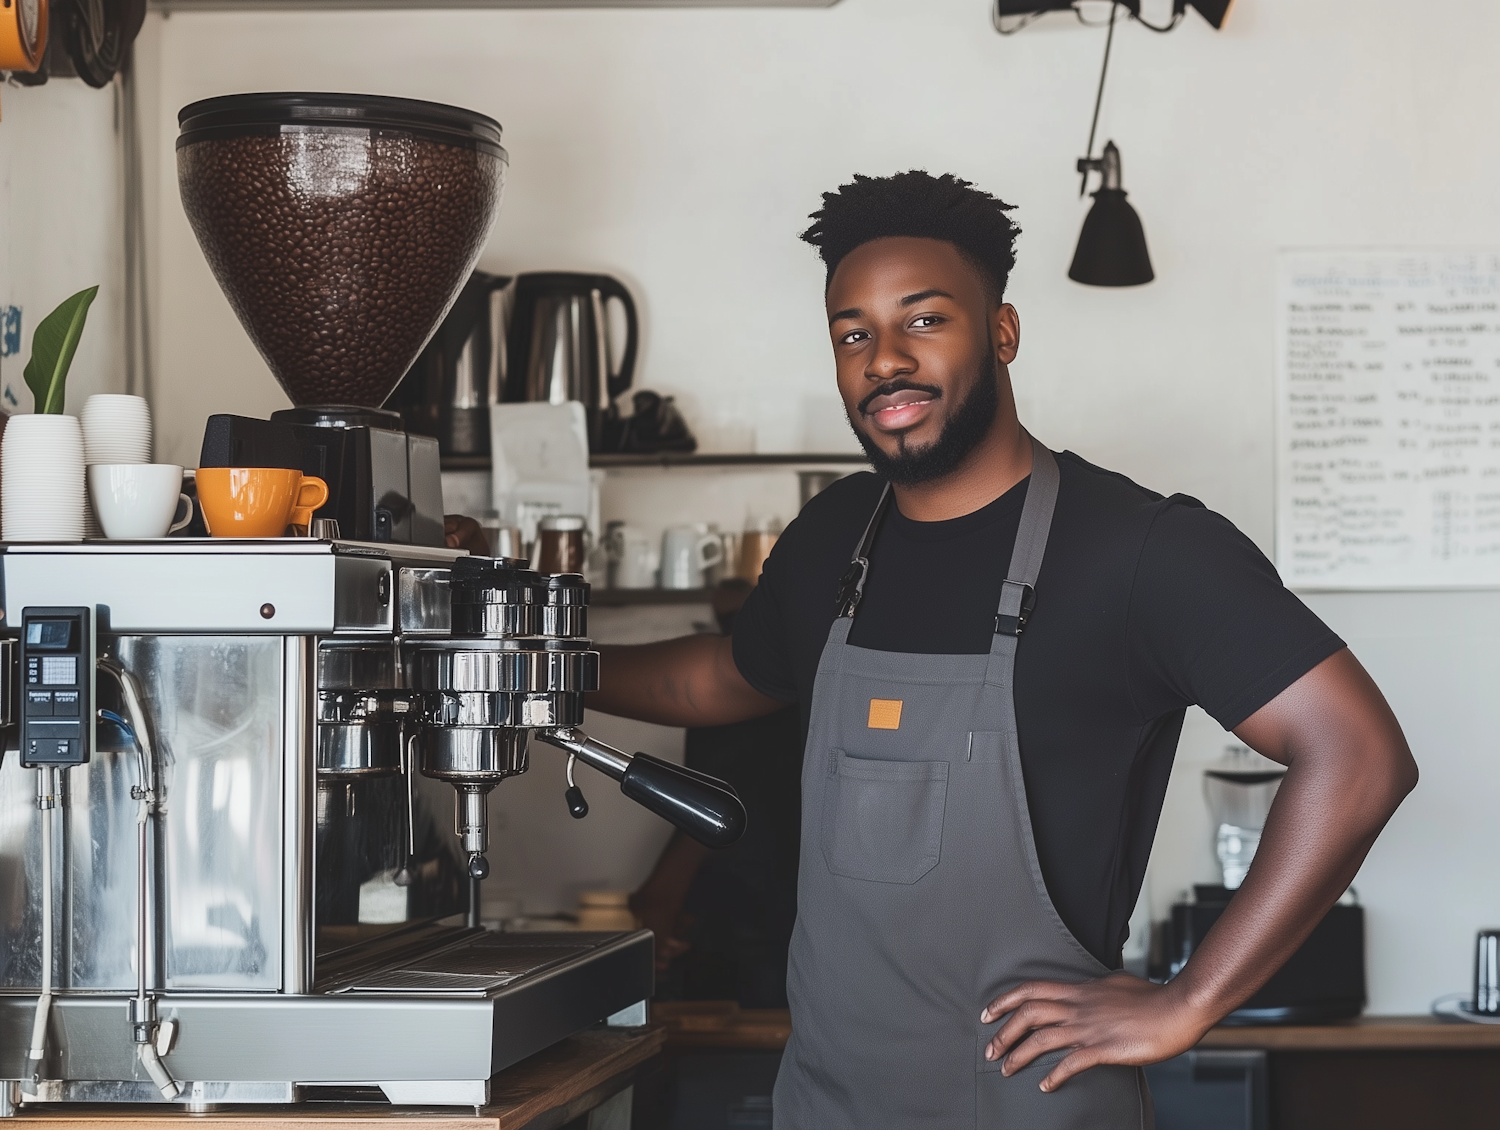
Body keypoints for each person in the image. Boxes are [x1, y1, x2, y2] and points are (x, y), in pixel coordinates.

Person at [587, 171, 1417, 1129]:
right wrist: (550, 670)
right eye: (853, 333)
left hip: (1032, 1107)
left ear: (1003, 333)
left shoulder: (1140, 552)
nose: (883, 360)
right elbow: (732, 675)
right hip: (825, 1101)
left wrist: (1189, 1000)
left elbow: (1358, 754)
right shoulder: (836, 535)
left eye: (924, 320)